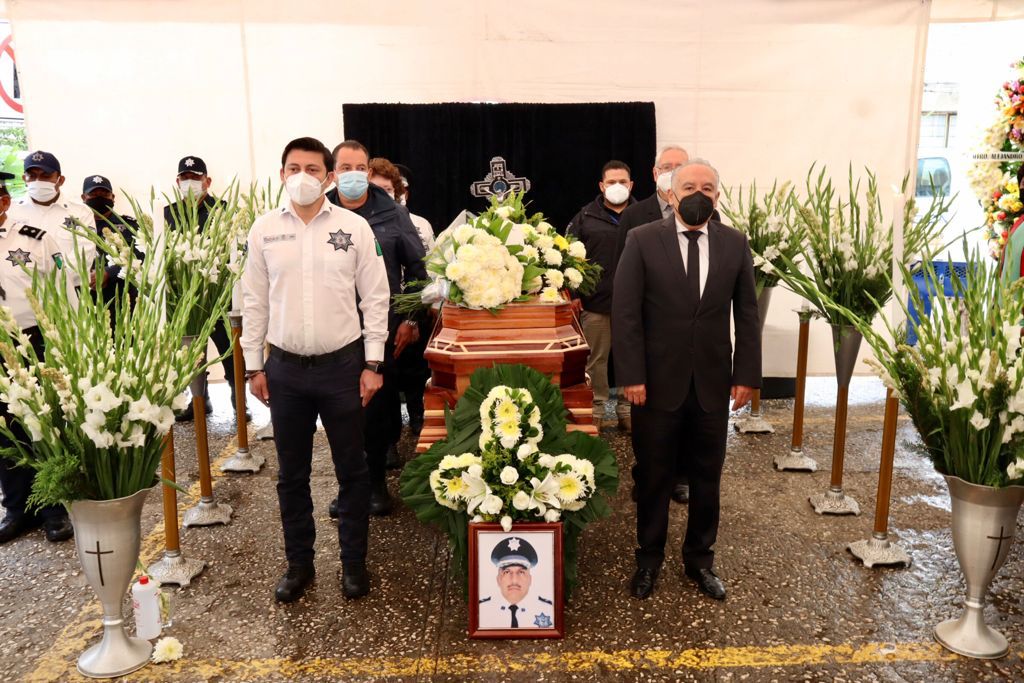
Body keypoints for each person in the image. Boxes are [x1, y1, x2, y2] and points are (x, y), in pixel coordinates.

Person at [240, 137, 390, 603]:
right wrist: (253, 366)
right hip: (285, 371)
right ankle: (299, 564)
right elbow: (254, 301)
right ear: (282, 174)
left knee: (353, 471)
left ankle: (354, 564)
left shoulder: (354, 228)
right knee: (291, 475)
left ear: (328, 177)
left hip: (342, 368)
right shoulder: (264, 230)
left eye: (312, 169)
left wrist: (373, 362)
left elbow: (376, 297)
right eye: (294, 168)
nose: (302, 176)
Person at [613, 159, 760, 602]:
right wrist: (631, 375)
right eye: (690, 186)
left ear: (718, 195)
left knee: (707, 478)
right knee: (654, 477)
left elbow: (747, 314)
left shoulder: (735, 243)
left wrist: (746, 376)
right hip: (655, 384)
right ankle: (648, 560)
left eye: (708, 187)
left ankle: (700, 560)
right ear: (671, 194)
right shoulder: (642, 240)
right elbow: (626, 313)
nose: (699, 194)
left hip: (712, 383)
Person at [326, 141, 427, 516]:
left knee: (377, 412)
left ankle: (376, 485)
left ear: (368, 172)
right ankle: (348, 487)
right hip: (332, 332)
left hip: (382, 330)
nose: (353, 174)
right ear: (333, 173)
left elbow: (419, 273)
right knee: (339, 414)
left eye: (360, 167)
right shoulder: (320, 211)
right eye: (344, 167)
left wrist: (411, 320)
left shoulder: (393, 214)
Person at [616, 145, 707, 505]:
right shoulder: (635, 216)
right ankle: (647, 476)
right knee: (650, 423)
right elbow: (623, 280)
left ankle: (681, 477)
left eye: (679, 166)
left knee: (687, 417)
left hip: (691, 339)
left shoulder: (706, 214)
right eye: (667, 166)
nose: (672, 171)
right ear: (655, 174)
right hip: (651, 336)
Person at [0, 171, 75, 545]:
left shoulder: (35, 239)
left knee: (42, 424)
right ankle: (18, 508)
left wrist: (67, 339)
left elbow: (64, 291)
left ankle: (53, 508)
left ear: (3, 202)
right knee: (4, 428)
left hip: (31, 340)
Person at [163, 156, 243, 421]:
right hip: (185, 296)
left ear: (207, 181)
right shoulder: (168, 213)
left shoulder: (223, 210)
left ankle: (238, 400)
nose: (190, 183)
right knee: (191, 353)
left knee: (229, 350)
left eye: (195, 178)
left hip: (217, 294)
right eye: (185, 178)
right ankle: (199, 399)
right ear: (178, 182)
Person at [567, 160, 635, 430]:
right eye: (611, 182)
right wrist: (574, 294)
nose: (617, 186)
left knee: (631, 358)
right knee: (596, 360)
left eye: (622, 182)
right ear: (601, 186)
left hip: (635, 305)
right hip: (596, 303)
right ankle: (595, 409)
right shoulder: (585, 217)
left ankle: (627, 410)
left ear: (631, 185)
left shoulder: (642, 215)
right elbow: (569, 259)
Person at [368, 159, 432, 437]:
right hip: (378, 313)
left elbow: (424, 269)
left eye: (387, 189)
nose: (381, 194)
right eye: (375, 188)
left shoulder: (418, 224)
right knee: (386, 378)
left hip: (409, 307)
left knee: (415, 368)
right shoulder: (357, 223)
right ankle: (388, 439)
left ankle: (418, 415)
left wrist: (414, 316)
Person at [7, 150, 95, 288]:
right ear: (24, 178)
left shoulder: (80, 212)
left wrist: (52, 284)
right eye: (32, 176)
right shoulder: (11, 211)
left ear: (61, 180)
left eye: (46, 176)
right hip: (23, 290)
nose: (38, 181)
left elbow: (85, 254)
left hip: (69, 290)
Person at [82, 174, 139, 320]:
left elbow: (139, 255)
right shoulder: (75, 226)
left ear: (113, 197)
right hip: (84, 297)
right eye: (93, 195)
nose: (99, 198)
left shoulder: (129, 225)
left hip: (121, 296)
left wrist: (109, 272)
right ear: (83, 197)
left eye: (104, 194)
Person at [478, 536, 555, 629]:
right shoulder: (481, 611)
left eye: (521, 572)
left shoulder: (549, 610)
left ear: (530, 579)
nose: (514, 580)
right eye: (507, 572)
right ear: (498, 579)